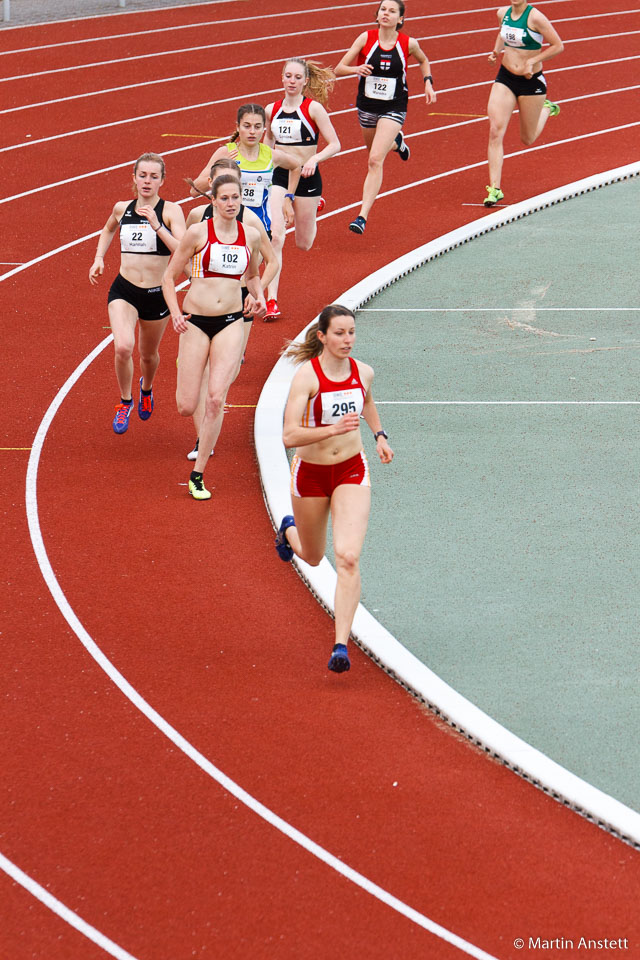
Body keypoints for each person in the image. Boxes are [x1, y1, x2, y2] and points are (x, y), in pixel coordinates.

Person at [274, 304, 394, 673]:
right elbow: (289, 434)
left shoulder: (364, 372)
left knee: (348, 557)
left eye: (352, 333)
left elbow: (367, 402)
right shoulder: (306, 378)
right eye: (340, 333)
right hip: (310, 474)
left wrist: (378, 435)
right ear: (322, 337)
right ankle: (288, 529)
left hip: (351, 470)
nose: (348, 340)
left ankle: (340, 645)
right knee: (312, 556)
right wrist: (331, 430)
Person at [162, 174, 265, 500]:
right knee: (186, 404)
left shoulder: (250, 235)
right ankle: (198, 446)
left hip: (231, 322)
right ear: (213, 201)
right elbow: (169, 276)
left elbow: (253, 274)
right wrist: (176, 313)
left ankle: (198, 474)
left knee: (216, 398)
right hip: (195, 322)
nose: (232, 204)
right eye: (225, 198)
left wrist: (257, 296)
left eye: (236, 198)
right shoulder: (197, 233)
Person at [184, 158, 278, 461]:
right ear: (212, 189)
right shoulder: (197, 216)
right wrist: (194, 276)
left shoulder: (250, 222)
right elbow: (183, 252)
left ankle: (210, 421)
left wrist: (258, 293)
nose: (229, 198)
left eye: (234, 189)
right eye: (221, 187)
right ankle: (202, 440)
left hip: (239, 302)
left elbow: (271, 260)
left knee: (227, 373)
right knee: (204, 375)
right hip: (203, 302)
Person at [89, 153, 186, 433]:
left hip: (157, 294)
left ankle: (147, 388)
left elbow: (181, 249)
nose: (147, 181)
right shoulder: (122, 208)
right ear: (134, 177)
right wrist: (99, 258)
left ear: (162, 181)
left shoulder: (171, 211)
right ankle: (125, 401)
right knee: (123, 347)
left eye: (153, 176)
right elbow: (108, 229)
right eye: (142, 175)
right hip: (125, 290)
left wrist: (156, 224)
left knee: (148, 356)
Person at [334, 0, 436, 235]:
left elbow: (424, 60)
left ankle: (362, 216)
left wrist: (428, 83)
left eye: (392, 11)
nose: (386, 14)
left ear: (400, 19)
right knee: (373, 153)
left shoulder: (408, 43)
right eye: (383, 10)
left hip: (394, 106)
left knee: (374, 161)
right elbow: (339, 68)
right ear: (377, 14)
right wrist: (355, 70)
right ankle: (397, 143)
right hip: (367, 106)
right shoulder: (365, 39)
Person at [190, 104, 299, 318]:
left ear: (264, 130)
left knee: (240, 284)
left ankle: (237, 337)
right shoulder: (226, 152)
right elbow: (194, 189)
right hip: (226, 228)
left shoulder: (271, 155)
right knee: (230, 286)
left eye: (257, 127)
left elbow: (296, 166)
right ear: (238, 127)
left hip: (256, 231)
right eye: (247, 126)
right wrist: (220, 173)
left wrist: (288, 198)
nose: (252, 131)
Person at [264, 58, 341, 317]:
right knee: (276, 236)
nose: (292, 81)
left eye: (298, 77)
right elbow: (267, 146)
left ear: (306, 81)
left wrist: (314, 159)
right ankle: (271, 300)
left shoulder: (314, 109)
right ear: (281, 78)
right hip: (280, 177)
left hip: (308, 177)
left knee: (304, 243)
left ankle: (314, 206)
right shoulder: (271, 110)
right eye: (288, 76)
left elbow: (334, 144)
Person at [484, 2, 563, 206]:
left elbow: (558, 45)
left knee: (527, 138)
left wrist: (532, 60)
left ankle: (546, 108)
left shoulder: (536, 18)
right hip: (506, 77)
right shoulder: (502, 13)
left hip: (531, 82)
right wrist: (495, 51)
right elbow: (502, 34)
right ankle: (495, 188)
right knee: (495, 130)